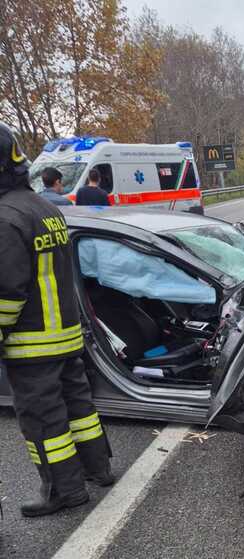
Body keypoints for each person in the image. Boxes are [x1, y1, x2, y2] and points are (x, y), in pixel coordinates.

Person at [0, 122, 113, 517]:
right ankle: (99, 469)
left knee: (43, 421)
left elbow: (6, 295)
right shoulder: (46, 209)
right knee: (79, 407)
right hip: (65, 335)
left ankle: (63, 491)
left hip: (32, 344)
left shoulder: (4, 218)